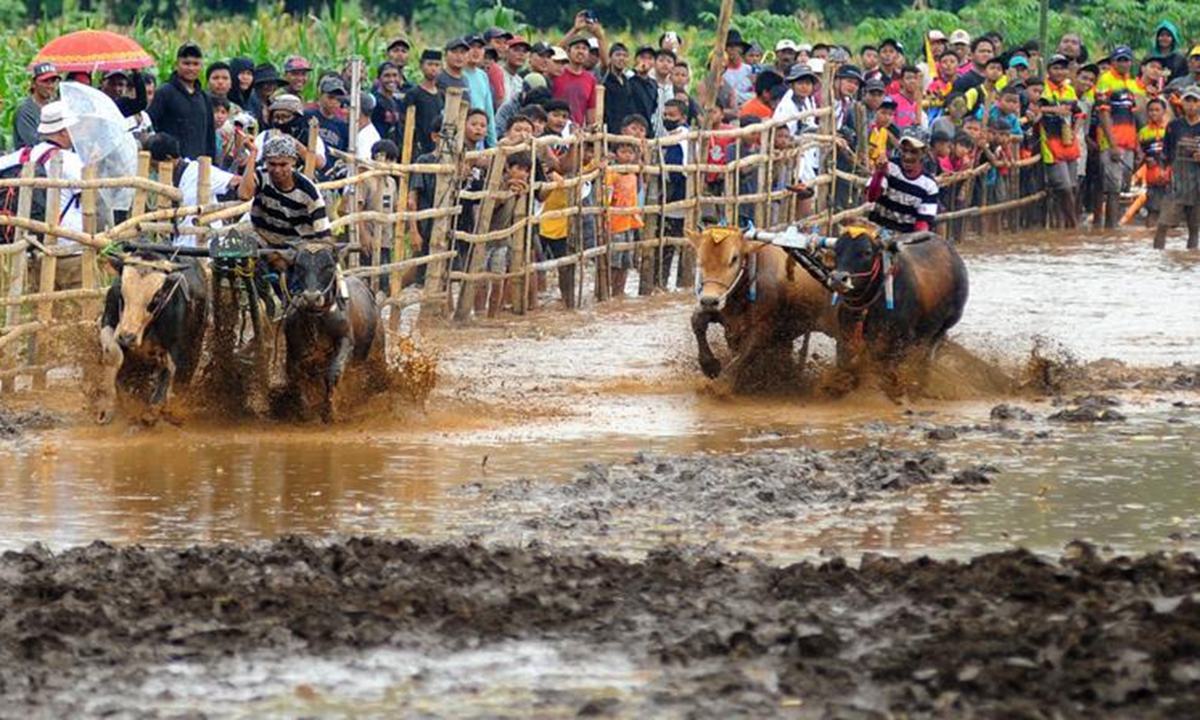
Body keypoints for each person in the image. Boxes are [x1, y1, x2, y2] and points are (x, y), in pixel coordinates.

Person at [0, 101, 86, 287]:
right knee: (74, 311)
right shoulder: (72, 162)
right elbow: (90, 198)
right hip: (68, 248)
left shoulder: (24, 155)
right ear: (63, 131)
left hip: (32, 246)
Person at [238, 134, 331, 248]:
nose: (277, 170)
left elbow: (324, 236)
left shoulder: (308, 192)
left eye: (283, 164)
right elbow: (244, 195)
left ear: (293, 162)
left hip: (297, 246)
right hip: (263, 239)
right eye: (272, 164)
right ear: (266, 162)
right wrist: (253, 153)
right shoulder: (262, 176)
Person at [145, 133, 239, 245]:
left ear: (168, 159)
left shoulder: (197, 171)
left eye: (155, 166)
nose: (154, 171)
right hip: (178, 245)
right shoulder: (166, 182)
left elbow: (236, 181)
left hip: (203, 247)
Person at [148, 43, 217, 161]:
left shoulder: (204, 97)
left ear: (201, 66)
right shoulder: (164, 92)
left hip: (199, 168)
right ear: (176, 64)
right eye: (186, 63)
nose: (191, 68)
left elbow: (210, 136)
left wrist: (211, 164)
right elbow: (149, 125)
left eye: (195, 64)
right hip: (170, 165)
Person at [1153, 86, 1200, 249]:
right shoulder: (1174, 125)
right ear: (1182, 103)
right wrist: (1161, 170)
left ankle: (1190, 258)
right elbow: (1165, 152)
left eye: (1195, 101)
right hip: (1177, 182)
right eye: (1188, 100)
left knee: (1194, 229)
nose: (1191, 105)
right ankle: (1157, 262)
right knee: (1162, 225)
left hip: (1198, 183)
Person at [866, 128, 939, 233]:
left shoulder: (929, 185)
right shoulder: (890, 167)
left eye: (914, 152)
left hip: (906, 238)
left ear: (924, 152)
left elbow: (923, 222)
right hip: (877, 229)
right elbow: (871, 197)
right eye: (904, 150)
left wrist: (917, 241)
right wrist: (879, 174)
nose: (908, 156)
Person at [604, 140, 641, 298]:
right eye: (623, 152)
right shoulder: (611, 173)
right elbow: (606, 199)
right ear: (615, 154)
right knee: (613, 263)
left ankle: (620, 292)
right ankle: (610, 292)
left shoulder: (633, 172)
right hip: (614, 224)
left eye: (630, 153)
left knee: (626, 263)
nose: (627, 156)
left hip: (629, 223)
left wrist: (641, 152)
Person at [555, 16, 602, 128]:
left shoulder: (590, 79)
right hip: (555, 130)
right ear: (568, 51)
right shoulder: (557, 72)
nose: (581, 51)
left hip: (577, 133)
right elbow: (555, 52)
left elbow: (591, 109)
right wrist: (575, 29)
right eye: (577, 48)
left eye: (584, 49)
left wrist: (591, 131)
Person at [305, 76, 349, 180]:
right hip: (309, 172)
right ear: (320, 96)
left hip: (330, 177)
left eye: (338, 99)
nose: (334, 102)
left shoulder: (342, 126)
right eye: (330, 97)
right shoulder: (307, 117)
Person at [13, 63, 60, 149]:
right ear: (33, 84)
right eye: (45, 81)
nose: (50, 85)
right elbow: (34, 142)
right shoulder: (25, 111)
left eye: (53, 81)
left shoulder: (55, 107)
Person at [464, 36, 498, 146]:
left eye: (480, 47)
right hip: (461, 140)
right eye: (471, 47)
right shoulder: (458, 75)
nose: (476, 51)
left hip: (479, 142)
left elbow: (489, 112)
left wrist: (493, 145)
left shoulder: (483, 76)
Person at [410, 50, 446, 156]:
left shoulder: (441, 95)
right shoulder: (414, 94)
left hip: (436, 146)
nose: (433, 68)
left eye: (437, 65)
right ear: (421, 66)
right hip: (418, 147)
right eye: (429, 64)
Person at [722, 30, 754, 109]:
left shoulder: (749, 70)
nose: (731, 50)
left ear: (741, 49)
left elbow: (756, 94)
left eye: (734, 46)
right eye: (728, 47)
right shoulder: (721, 72)